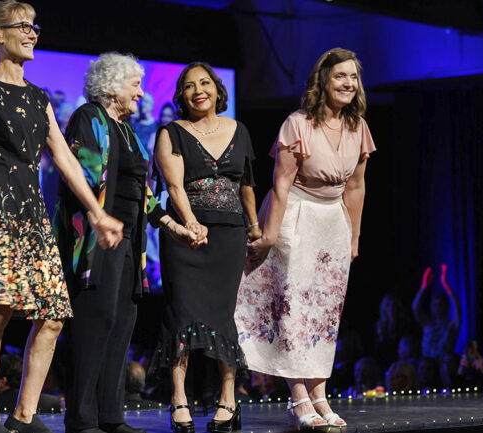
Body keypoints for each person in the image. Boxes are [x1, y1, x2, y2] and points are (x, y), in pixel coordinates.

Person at [0, 2, 123, 432]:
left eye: (34, 26)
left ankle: (24, 415)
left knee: (54, 315)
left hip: (32, 216)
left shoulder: (38, 96)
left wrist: (98, 213)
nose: (32, 33)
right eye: (22, 26)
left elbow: (64, 158)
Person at [54, 52, 197, 433]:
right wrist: (100, 218)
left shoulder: (128, 130)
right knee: (94, 322)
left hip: (130, 243)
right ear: (112, 86)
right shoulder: (89, 118)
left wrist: (171, 225)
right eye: (135, 85)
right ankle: (81, 418)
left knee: (121, 322)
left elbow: (142, 191)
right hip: (97, 240)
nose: (140, 93)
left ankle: (111, 416)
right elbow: (81, 176)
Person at [235, 47, 376, 429]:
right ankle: (298, 397)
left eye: (353, 76)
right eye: (340, 76)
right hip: (295, 216)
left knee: (325, 313)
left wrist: (354, 237)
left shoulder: (358, 126)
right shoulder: (297, 123)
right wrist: (270, 235)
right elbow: (281, 185)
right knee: (294, 309)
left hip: (333, 223)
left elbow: (356, 187)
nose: (348, 83)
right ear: (323, 80)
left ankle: (320, 395)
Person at [151, 61, 259, 433]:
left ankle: (228, 399)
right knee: (181, 314)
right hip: (186, 237)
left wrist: (255, 228)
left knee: (223, 315)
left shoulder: (239, 130)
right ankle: (179, 398)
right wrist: (189, 222)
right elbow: (174, 185)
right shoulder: (171, 133)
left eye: (205, 83)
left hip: (229, 236)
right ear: (181, 96)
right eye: (189, 86)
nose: (198, 90)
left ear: (217, 89)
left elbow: (246, 185)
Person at [413, 264, 460, 360]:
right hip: (427, 363)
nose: (437, 308)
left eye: (440, 305)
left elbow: (458, 308)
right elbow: (415, 308)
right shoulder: (428, 323)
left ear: (446, 306)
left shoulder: (451, 325)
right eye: (435, 305)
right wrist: (424, 287)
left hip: (444, 364)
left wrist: (447, 287)